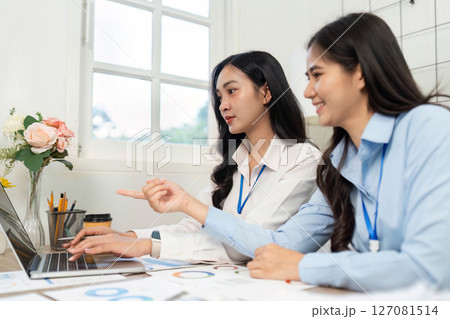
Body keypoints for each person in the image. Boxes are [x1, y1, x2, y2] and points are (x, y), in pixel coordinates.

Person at [127, 13, 450, 291]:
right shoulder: (339, 162)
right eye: (308, 78)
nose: (308, 92)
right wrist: (173, 212)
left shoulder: (427, 126)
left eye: (318, 75)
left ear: (360, 73)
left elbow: (432, 265)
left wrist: (303, 267)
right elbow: (280, 247)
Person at [65, 51, 321, 264]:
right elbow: (197, 227)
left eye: (232, 91)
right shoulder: (235, 160)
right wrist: (129, 236)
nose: (222, 105)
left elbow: (249, 245)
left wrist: (148, 245)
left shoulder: (302, 159)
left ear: (266, 93)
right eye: (219, 97)